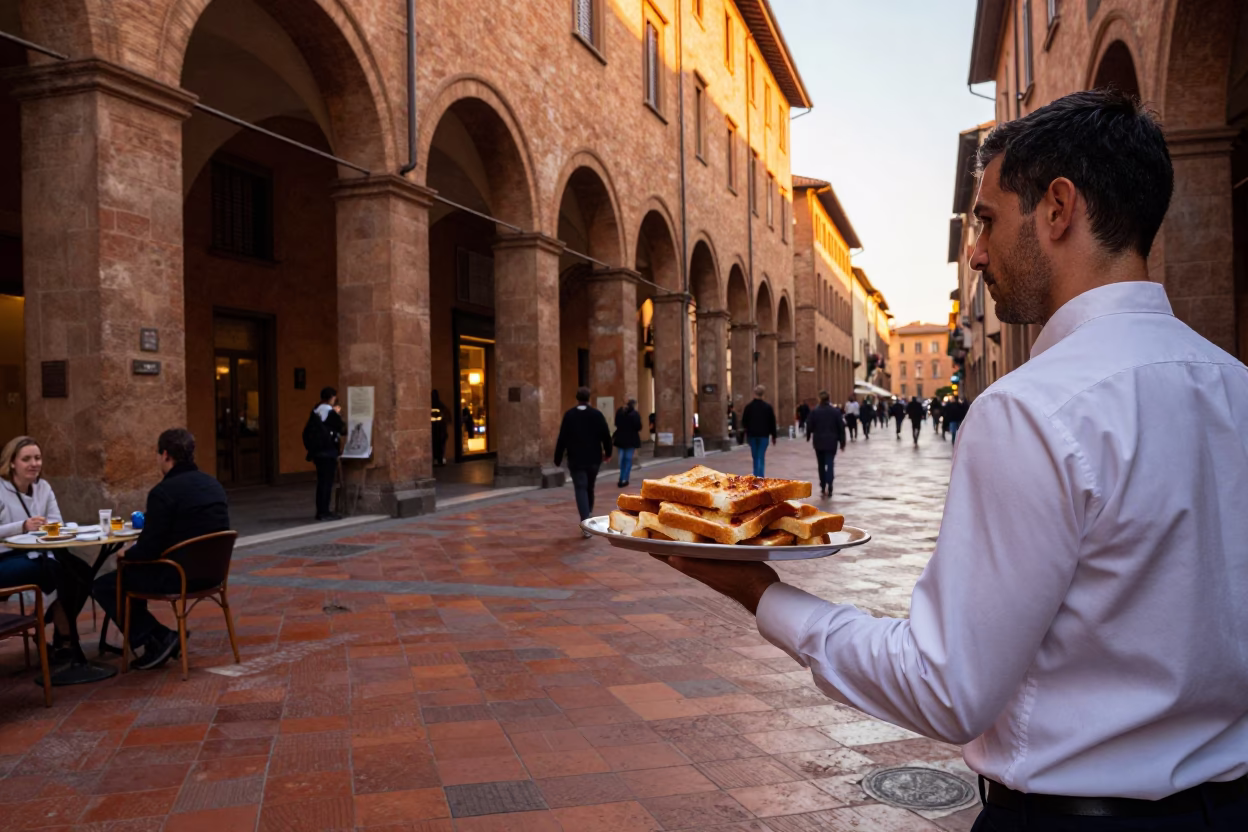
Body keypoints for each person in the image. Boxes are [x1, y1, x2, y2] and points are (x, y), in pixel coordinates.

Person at [653, 90, 1248, 830]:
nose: (975, 251)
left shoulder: (1031, 409)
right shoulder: (1234, 384)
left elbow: (945, 686)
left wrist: (761, 595)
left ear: (1058, 209)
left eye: (988, 220)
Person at [93, 429, 230, 670]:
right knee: (128, 576)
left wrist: (127, 553)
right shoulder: (213, 484)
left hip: (177, 576)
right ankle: (156, 640)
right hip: (213, 574)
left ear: (165, 455)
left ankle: (156, 637)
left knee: (106, 584)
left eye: (158, 455)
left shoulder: (163, 492)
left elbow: (149, 550)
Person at [0, 436, 71, 638]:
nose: (34, 464)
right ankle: (65, 637)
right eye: (27, 459)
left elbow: (58, 524)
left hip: (37, 553)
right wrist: (22, 526)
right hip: (4, 559)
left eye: (38, 458)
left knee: (78, 571)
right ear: (12, 463)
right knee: (53, 569)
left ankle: (58, 631)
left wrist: (50, 527)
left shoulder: (44, 488)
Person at [554, 387, 612, 537]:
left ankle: (586, 520)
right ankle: (588, 515)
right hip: (593, 458)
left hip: (576, 458)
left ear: (577, 398)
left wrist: (557, 458)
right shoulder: (596, 415)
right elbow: (606, 435)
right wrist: (608, 453)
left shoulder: (569, 415)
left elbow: (562, 438)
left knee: (580, 487)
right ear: (589, 399)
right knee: (589, 487)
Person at [303, 387, 345, 521]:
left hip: (318, 452)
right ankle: (324, 512)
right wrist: (337, 414)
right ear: (332, 397)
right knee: (327, 483)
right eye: (335, 397)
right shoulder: (329, 411)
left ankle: (321, 510)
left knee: (322, 482)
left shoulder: (316, 410)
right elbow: (342, 428)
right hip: (328, 451)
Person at [804, 392, 845, 497]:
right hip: (831, 442)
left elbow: (809, 425)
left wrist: (808, 436)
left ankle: (823, 485)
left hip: (819, 442)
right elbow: (841, 427)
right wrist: (842, 442)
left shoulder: (815, 412)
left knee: (821, 465)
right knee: (830, 463)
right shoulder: (835, 412)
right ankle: (830, 483)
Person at [742, 385, 778, 478]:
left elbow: (744, 421)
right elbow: (772, 422)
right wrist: (774, 436)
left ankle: (756, 475)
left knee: (755, 456)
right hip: (764, 435)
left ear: (754, 394)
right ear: (763, 394)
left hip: (752, 435)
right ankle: (760, 476)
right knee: (761, 456)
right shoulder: (767, 407)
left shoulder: (749, 407)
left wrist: (747, 431)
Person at [612, 397, 642, 487]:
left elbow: (616, 423)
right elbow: (638, 427)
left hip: (621, 439)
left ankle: (622, 478)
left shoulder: (619, 413)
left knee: (622, 460)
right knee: (628, 460)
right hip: (631, 439)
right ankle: (625, 479)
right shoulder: (635, 414)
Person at [431, 390, 449, 466]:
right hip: (440, 430)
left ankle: (437, 459)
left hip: (436, 430)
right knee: (440, 446)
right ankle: (440, 459)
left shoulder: (431, 405)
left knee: (436, 446)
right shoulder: (441, 405)